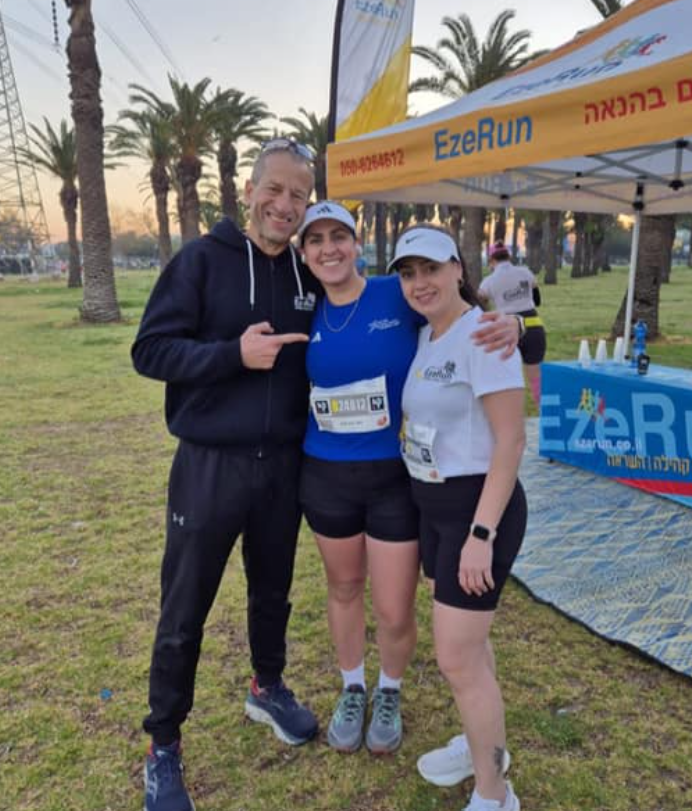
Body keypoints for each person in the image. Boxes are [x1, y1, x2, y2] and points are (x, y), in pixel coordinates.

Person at [131, 139, 322, 811]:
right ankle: (163, 744)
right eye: (275, 189)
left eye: (299, 195)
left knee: (272, 593)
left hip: (283, 468)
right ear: (249, 190)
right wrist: (231, 355)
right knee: (184, 610)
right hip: (209, 466)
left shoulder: (307, 273)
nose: (285, 205)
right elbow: (150, 350)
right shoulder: (201, 262)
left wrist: (498, 324)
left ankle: (266, 686)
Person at [296, 202, 523, 757]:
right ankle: (353, 688)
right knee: (343, 588)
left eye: (339, 236)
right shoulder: (298, 306)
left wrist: (519, 325)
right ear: (303, 254)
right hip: (324, 474)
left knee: (395, 608)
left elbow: (470, 321)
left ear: (357, 244)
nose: (329, 249)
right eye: (315, 240)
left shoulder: (395, 295)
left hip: (395, 480)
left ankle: (390, 692)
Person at [391, 225, 527, 811]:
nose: (420, 282)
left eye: (431, 269)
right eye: (408, 273)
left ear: (458, 270)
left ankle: (495, 794)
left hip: (478, 513)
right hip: (433, 506)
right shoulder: (427, 334)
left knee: (455, 658)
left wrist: (481, 534)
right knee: (470, 650)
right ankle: (482, 748)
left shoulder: (484, 334)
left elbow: (511, 441)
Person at [478, 242, 546, 407]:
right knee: (537, 380)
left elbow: (480, 301)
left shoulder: (489, 281)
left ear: (491, 261)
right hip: (533, 326)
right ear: (508, 257)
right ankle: (547, 414)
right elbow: (537, 299)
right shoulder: (525, 272)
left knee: (504, 382)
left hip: (506, 329)